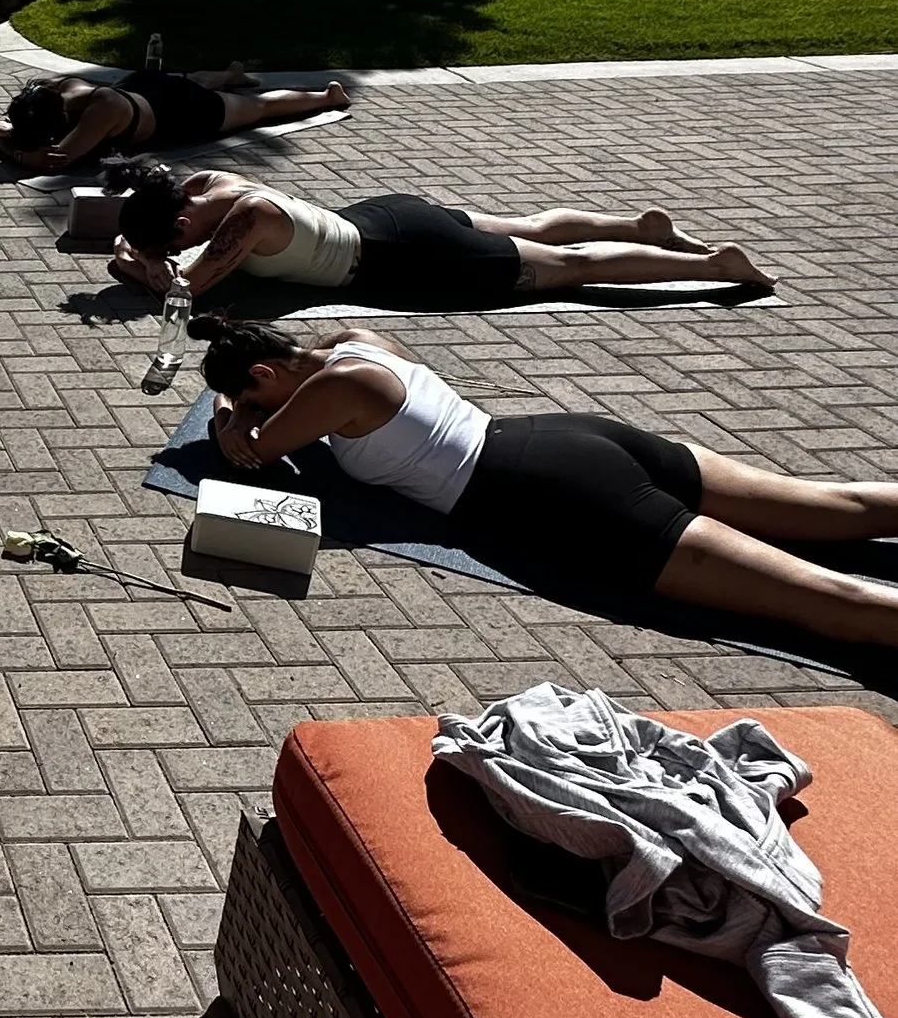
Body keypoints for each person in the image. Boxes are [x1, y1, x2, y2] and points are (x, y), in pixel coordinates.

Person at [194, 314, 898, 651]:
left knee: (827, 601)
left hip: (552, 494)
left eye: (256, 397)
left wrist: (234, 420)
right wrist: (235, 390)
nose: (261, 412)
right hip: (567, 436)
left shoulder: (327, 390)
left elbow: (255, 454)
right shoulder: (354, 343)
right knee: (845, 505)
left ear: (263, 375)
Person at [109, 161, 769, 308]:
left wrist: (145, 270)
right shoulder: (203, 181)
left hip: (408, 255)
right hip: (383, 215)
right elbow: (180, 236)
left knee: (568, 265)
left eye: (174, 239)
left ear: (181, 220)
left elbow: (185, 291)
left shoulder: (244, 220)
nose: (178, 249)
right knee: (532, 227)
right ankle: (645, 225)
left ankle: (717, 266)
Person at [0, 65, 350, 172]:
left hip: (180, 111)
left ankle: (326, 96)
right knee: (192, 81)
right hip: (141, 87)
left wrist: (14, 150)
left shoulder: (100, 111)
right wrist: (9, 133)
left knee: (257, 109)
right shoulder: (57, 91)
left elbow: (55, 161)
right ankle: (227, 74)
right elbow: (8, 125)